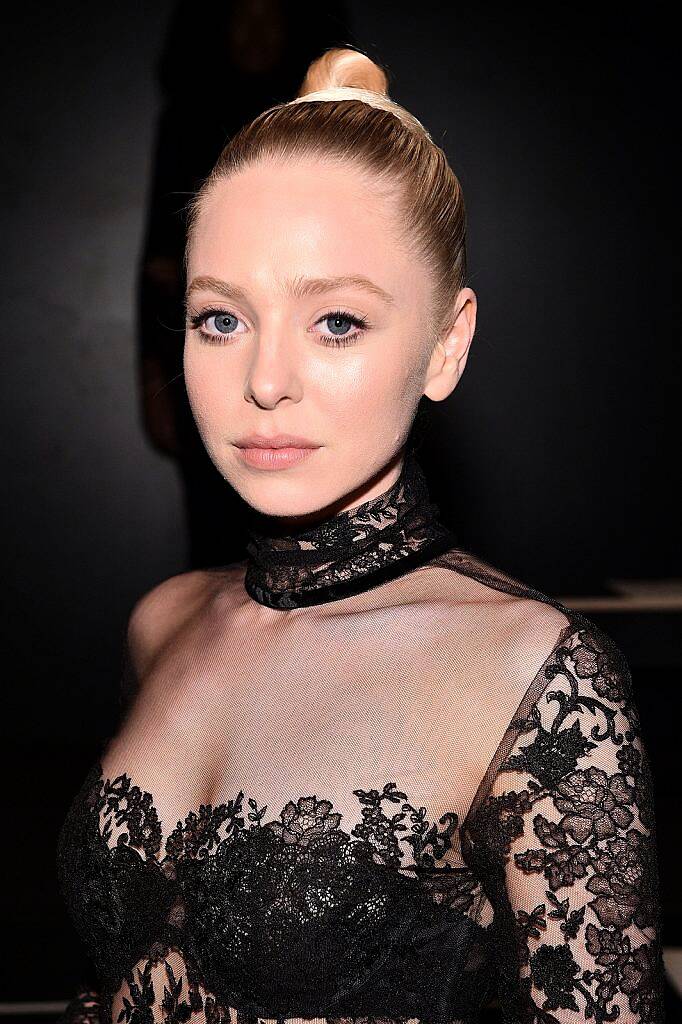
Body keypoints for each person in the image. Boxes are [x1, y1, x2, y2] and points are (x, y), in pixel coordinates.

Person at [55, 46, 664, 1024]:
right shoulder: (162, 621)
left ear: (445, 344)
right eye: (220, 318)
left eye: (335, 320)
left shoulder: (536, 675)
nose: (263, 379)